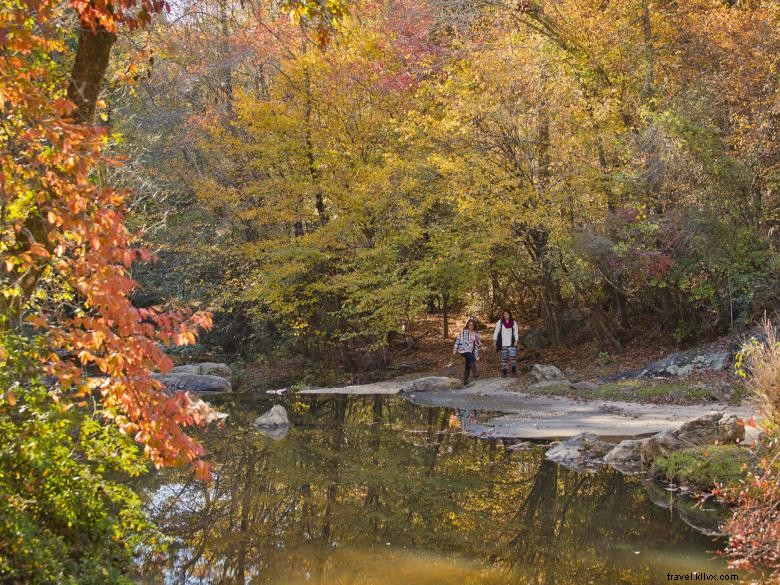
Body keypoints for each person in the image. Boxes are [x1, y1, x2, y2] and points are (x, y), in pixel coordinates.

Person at [453, 318, 482, 385]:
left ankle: (465, 381)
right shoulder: (463, 332)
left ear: (474, 326)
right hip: (463, 349)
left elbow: (478, 342)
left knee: (467, 365)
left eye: (472, 325)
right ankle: (474, 373)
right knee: (471, 357)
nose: (471, 326)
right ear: (467, 325)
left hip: (471, 350)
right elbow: (457, 341)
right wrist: (455, 349)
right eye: (470, 325)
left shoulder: (475, 334)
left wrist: (482, 347)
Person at [493, 310, 519, 377]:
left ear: (509, 314)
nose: (505, 315)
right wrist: (494, 340)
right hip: (503, 343)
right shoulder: (500, 322)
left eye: (507, 314)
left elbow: (516, 332)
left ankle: (513, 372)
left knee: (513, 358)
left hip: (511, 343)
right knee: (504, 358)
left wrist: (516, 340)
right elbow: (496, 331)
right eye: (504, 314)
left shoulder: (513, 322)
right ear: (503, 315)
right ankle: (504, 373)